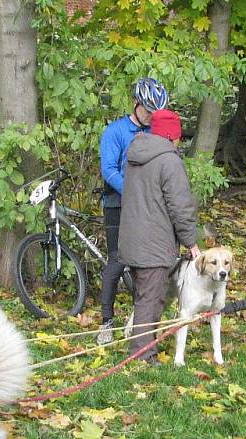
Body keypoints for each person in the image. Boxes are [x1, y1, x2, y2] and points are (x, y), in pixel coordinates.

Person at [118, 109, 200, 365]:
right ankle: (143, 356)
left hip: (132, 238)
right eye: (178, 137)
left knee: (145, 296)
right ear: (171, 136)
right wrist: (191, 242)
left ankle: (143, 345)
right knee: (150, 300)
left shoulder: (135, 156)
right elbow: (180, 206)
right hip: (153, 242)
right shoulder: (169, 161)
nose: (179, 142)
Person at [97, 77, 170, 345]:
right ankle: (106, 322)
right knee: (117, 260)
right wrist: (132, 192)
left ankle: (138, 323)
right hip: (119, 203)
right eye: (149, 111)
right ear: (136, 104)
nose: (153, 117)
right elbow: (109, 170)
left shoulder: (156, 132)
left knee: (146, 264)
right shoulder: (115, 132)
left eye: (157, 113)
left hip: (148, 207)